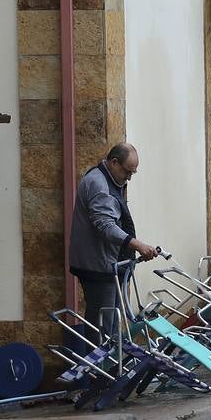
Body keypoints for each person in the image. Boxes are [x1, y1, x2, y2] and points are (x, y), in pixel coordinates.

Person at [68, 143, 159, 339]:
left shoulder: (110, 179)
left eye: (133, 173)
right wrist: (138, 245)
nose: (129, 178)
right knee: (103, 325)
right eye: (127, 172)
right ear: (114, 162)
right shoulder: (99, 184)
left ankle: (110, 364)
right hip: (97, 266)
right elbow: (105, 226)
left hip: (108, 264)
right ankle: (98, 367)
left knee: (112, 321)